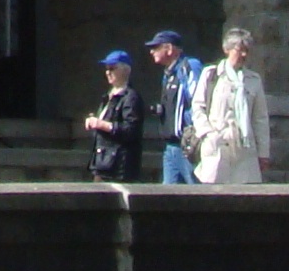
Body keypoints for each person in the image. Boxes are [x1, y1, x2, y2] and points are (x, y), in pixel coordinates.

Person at [189, 26, 272, 187]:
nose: (244, 55)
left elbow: (260, 119)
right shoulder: (211, 75)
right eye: (240, 50)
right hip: (217, 149)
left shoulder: (254, 80)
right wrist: (208, 134)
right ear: (227, 49)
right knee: (213, 195)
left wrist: (263, 153)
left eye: (247, 50)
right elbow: (198, 107)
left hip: (244, 153)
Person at [143, 31, 205, 184]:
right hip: (170, 147)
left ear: (169, 48)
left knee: (196, 189)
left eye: (156, 47)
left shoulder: (189, 66)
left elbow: (199, 100)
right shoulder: (168, 74)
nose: (151, 52)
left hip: (187, 145)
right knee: (168, 193)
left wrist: (195, 132)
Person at [84, 51, 142, 182]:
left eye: (112, 68)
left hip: (119, 167)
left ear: (125, 70)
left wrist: (102, 125)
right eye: (106, 69)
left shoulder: (131, 97)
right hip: (102, 163)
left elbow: (131, 130)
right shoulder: (108, 96)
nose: (108, 73)